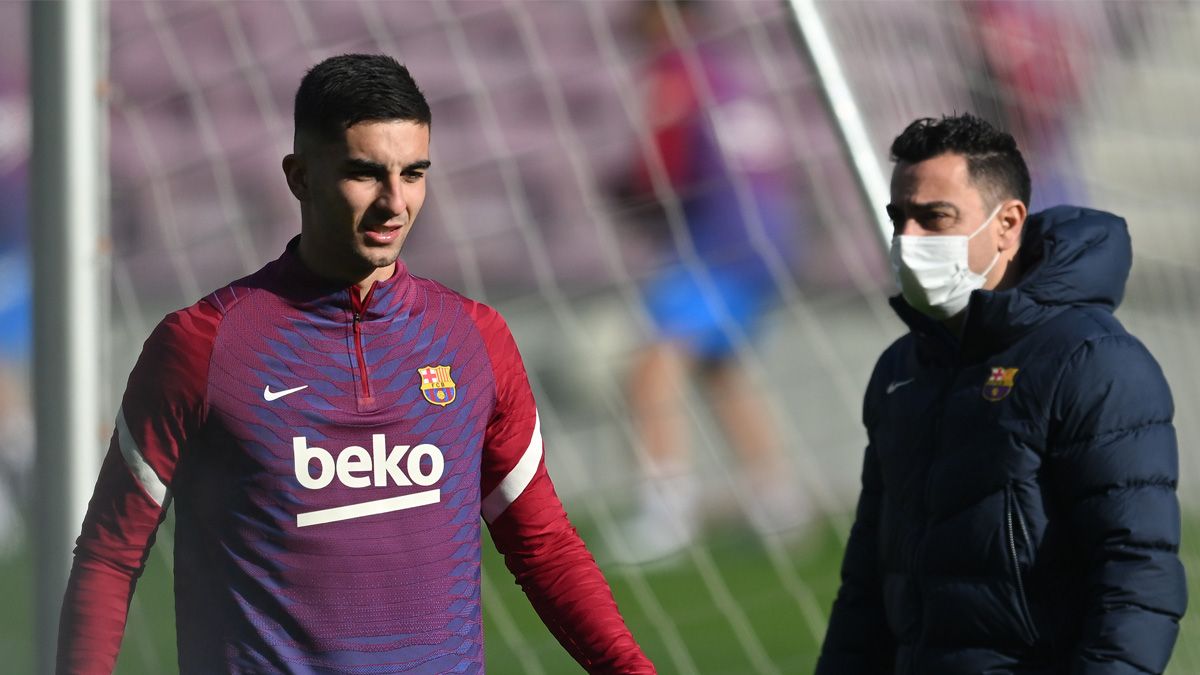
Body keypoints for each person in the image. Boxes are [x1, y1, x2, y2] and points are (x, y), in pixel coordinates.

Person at [58, 54, 654, 674]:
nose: (394, 203)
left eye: (414, 173)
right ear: (299, 177)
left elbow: (544, 547)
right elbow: (111, 553)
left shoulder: (474, 339)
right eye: (365, 174)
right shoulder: (200, 345)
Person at [817, 113, 1186, 673]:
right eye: (899, 220)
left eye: (934, 218)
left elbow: (1137, 575)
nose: (909, 241)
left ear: (1008, 223)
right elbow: (867, 580)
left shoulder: (1092, 361)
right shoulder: (903, 368)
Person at [613, 0, 805, 565]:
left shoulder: (673, 74)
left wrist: (627, 190)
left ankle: (665, 515)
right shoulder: (724, 73)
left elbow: (661, 165)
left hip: (720, 238)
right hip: (770, 233)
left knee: (653, 365)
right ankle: (778, 501)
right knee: (723, 366)